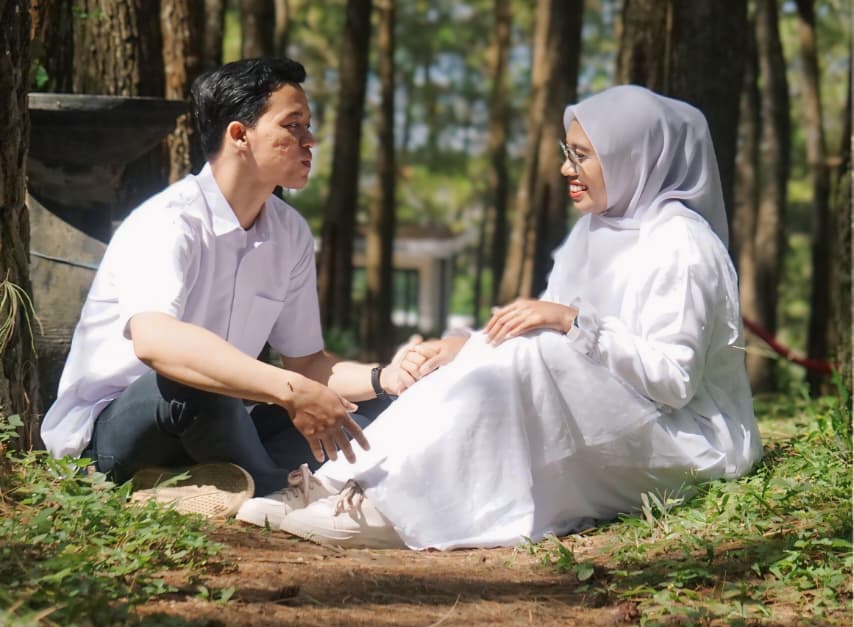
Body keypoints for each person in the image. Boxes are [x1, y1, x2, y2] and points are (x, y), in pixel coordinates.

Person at [241, 84, 762, 549]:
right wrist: (464, 349)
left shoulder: (681, 244)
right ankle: (340, 481)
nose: (566, 169)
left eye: (582, 156)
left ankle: (398, 509)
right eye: (567, 152)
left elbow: (673, 383)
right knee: (487, 355)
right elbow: (558, 342)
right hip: (613, 417)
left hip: (683, 441)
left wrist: (570, 321)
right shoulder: (597, 230)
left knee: (533, 349)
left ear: (631, 158)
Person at [40, 57, 414, 517]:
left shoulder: (290, 233)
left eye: (309, 126)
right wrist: (289, 389)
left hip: (225, 424)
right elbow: (156, 342)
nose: (310, 140)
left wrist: (384, 379)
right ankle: (281, 494)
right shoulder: (169, 221)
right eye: (293, 125)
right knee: (195, 385)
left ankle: (202, 485)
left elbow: (308, 363)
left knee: (365, 410)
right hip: (119, 434)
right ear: (239, 135)